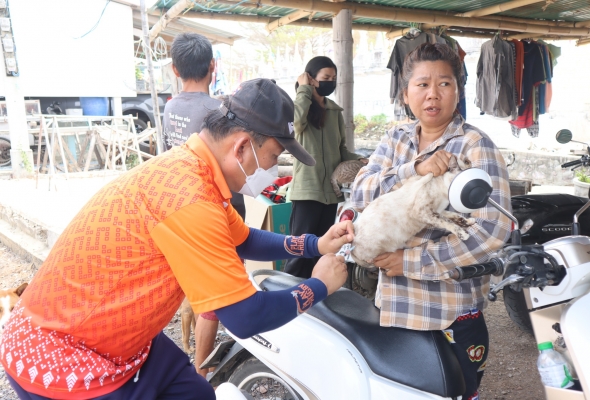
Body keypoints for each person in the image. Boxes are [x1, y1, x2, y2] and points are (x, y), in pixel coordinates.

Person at [1, 78, 352, 399]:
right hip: (61, 351)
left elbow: (243, 240)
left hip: (110, 332)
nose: (274, 169)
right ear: (242, 147)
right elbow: (245, 317)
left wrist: (315, 245)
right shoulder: (192, 199)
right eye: (274, 157)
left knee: (197, 393)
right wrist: (319, 286)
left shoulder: (196, 169)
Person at [351, 43, 512, 400]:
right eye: (422, 84)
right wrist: (415, 169)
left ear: (458, 91)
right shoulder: (395, 140)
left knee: (456, 393)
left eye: (444, 83)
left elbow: (493, 229)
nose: (433, 94)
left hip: (449, 312)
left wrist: (409, 261)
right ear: (406, 93)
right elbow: (360, 194)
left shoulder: (474, 146)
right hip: (393, 308)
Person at [160, 32, 246, 378]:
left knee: (196, 286)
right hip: (216, 207)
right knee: (215, 293)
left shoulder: (170, 108)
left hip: (179, 206)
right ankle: (202, 371)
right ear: (213, 66)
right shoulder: (219, 110)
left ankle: (197, 357)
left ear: (175, 69)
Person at [285, 56, 367, 279]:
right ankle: (288, 291)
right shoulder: (300, 107)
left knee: (322, 251)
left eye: (333, 78)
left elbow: (340, 150)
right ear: (311, 79)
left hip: (330, 194)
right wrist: (303, 90)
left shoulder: (334, 111)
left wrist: (361, 160)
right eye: (325, 77)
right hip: (307, 191)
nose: (330, 82)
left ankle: (317, 292)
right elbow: (296, 124)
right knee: (299, 250)